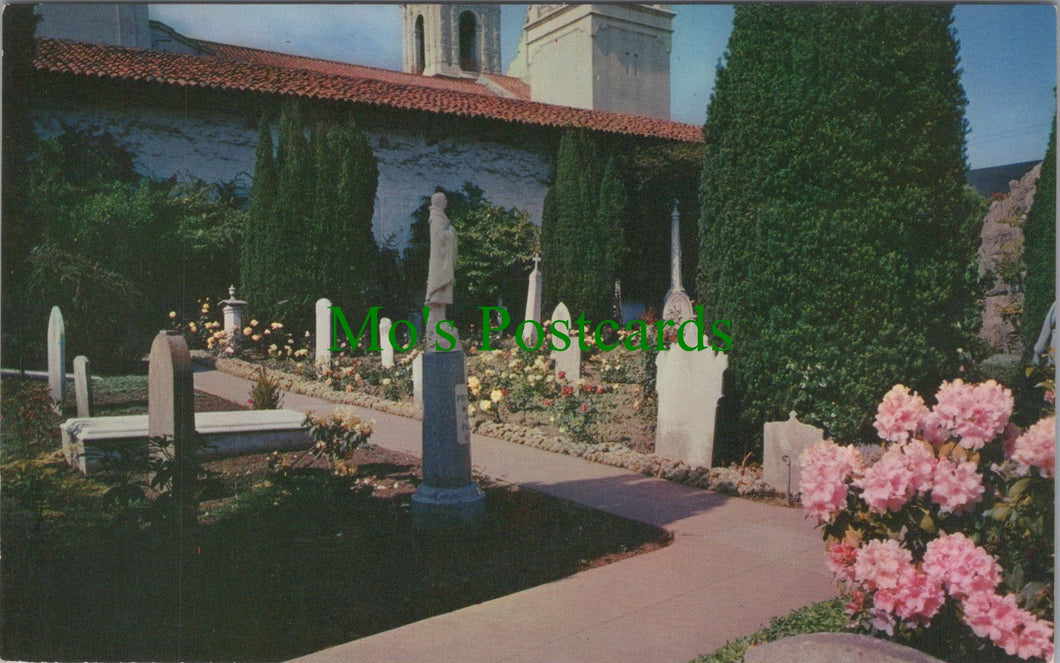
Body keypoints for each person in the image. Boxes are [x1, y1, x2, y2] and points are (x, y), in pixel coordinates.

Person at [425, 191, 457, 351]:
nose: (446, 202)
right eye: (444, 200)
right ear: (438, 202)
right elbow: (440, 238)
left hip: (442, 263)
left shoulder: (439, 217)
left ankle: (441, 320)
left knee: (442, 295)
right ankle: (437, 322)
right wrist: (451, 232)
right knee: (438, 292)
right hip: (439, 265)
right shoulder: (436, 218)